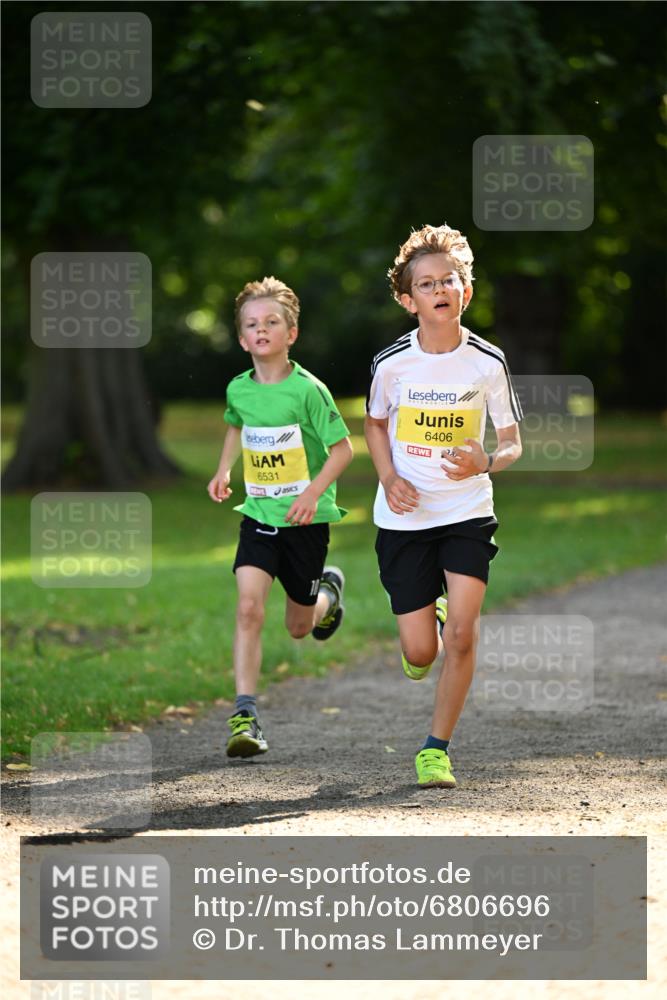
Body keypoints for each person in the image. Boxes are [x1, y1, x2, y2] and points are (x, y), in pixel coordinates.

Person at [364, 224, 523, 788]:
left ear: (466, 291)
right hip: (405, 517)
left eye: (448, 280)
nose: (439, 290)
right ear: (409, 301)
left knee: (463, 634)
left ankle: (436, 748)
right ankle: (423, 625)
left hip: (467, 512)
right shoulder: (392, 365)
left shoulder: (486, 362)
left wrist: (487, 461)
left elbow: (511, 442)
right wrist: (387, 476)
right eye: (426, 284)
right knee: (421, 651)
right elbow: (376, 422)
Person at [208, 276, 353, 759]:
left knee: (297, 627)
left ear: (291, 333)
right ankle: (245, 711)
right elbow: (235, 426)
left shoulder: (309, 391)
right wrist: (224, 470)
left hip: (305, 524)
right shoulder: (238, 389)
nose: (261, 329)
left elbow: (343, 450)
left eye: (272, 322)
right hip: (259, 518)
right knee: (249, 607)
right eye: (252, 324)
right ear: (242, 338)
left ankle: (327, 597)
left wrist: (313, 493)